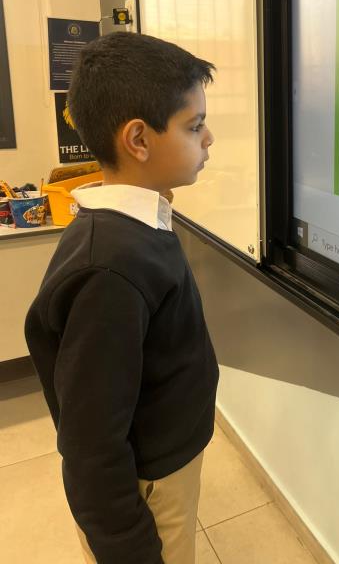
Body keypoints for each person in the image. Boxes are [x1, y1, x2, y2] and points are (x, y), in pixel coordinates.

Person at [25, 32, 219, 564]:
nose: (208, 139)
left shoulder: (136, 227)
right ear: (138, 139)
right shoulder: (110, 268)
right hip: (149, 488)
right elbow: (91, 443)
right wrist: (130, 549)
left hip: (168, 459)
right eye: (194, 126)